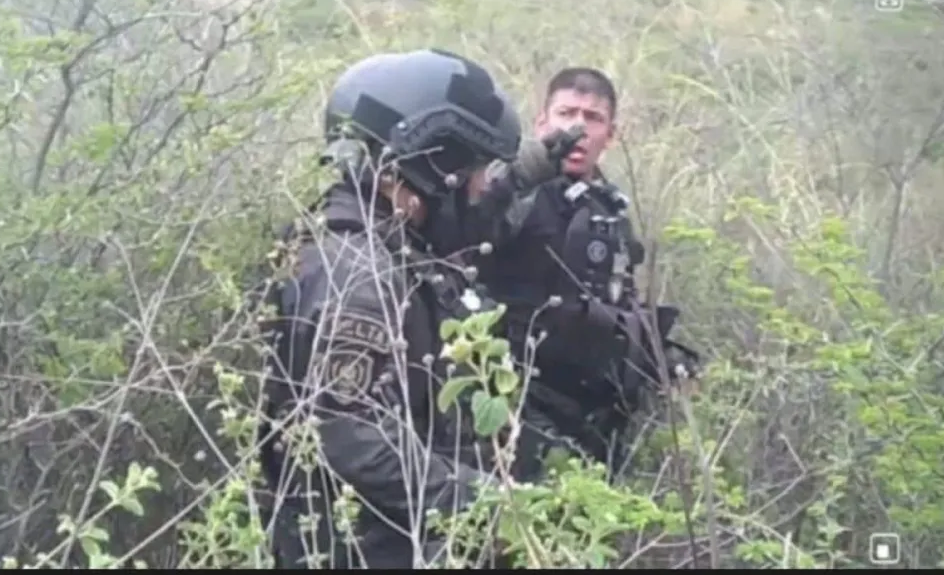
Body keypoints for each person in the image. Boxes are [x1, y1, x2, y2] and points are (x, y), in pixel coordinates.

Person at [254, 48, 524, 570]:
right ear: (432, 164)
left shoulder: (366, 242)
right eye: (473, 170)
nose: (478, 188)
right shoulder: (360, 270)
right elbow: (346, 433)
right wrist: (487, 504)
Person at [474, 67, 694, 477]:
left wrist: (660, 356)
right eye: (565, 113)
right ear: (542, 122)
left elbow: (612, 301)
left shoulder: (610, 210)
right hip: (513, 401)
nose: (577, 128)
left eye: (593, 118)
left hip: (589, 414)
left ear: (610, 134)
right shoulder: (512, 192)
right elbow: (467, 231)